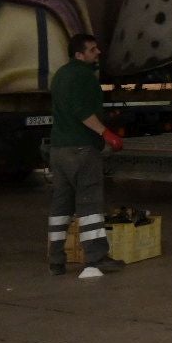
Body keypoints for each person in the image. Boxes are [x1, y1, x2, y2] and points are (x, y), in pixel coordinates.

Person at [46, 33, 126, 279]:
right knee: (89, 205)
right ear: (79, 55)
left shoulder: (60, 75)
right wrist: (107, 133)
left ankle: (56, 259)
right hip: (81, 149)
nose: (98, 53)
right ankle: (96, 258)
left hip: (58, 150)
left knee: (60, 207)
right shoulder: (83, 76)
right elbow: (81, 111)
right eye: (92, 50)